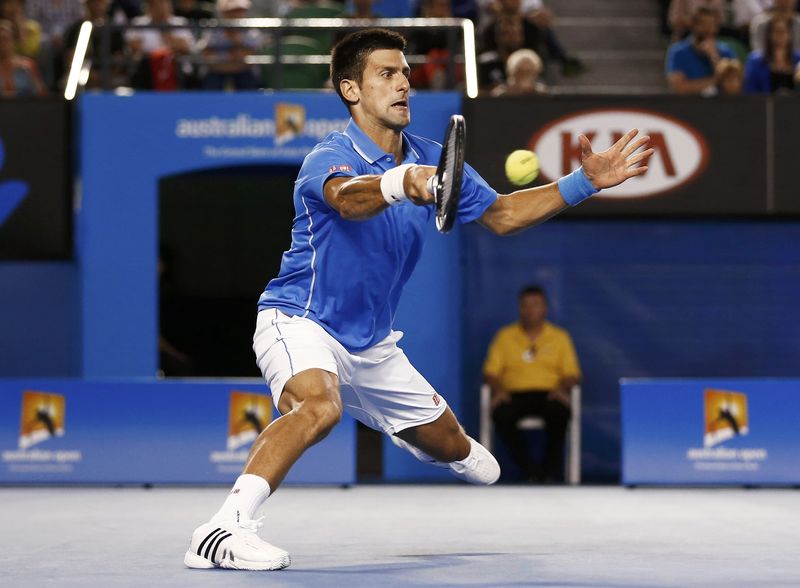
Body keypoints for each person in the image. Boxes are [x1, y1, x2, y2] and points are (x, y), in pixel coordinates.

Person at [183, 28, 652, 572]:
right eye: (387, 73)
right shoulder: (327, 158)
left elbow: (503, 215)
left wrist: (582, 182)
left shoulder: (434, 160)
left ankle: (409, 429)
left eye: (406, 72)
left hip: (374, 346)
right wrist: (402, 183)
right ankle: (222, 529)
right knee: (319, 406)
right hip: (300, 320)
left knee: (458, 451)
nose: (404, 82)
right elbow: (347, 200)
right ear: (351, 90)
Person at [483, 285, 580, 483]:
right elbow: (490, 372)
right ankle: (530, 469)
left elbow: (573, 374)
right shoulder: (505, 336)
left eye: (536, 305)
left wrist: (562, 388)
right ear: (519, 308)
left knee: (560, 413)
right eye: (525, 305)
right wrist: (498, 390)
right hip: (514, 395)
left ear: (545, 308)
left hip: (549, 394)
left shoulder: (559, 337)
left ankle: (546, 471)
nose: (530, 310)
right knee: (501, 414)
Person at [666, 6, 737, 95]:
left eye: (711, 25)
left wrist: (714, 57)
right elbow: (680, 88)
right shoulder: (678, 52)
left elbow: (732, 89)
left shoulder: (726, 52)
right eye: (703, 25)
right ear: (694, 26)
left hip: (720, 105)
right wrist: (716, 80)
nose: (708, 30)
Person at [199, 0, 262, 90]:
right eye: (232, 11)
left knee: (247, 79)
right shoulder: (212, 31)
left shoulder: (252, 32)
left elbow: (248, 59)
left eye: (240, 10)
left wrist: (237, 42)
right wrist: (233, 58)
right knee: (212, 80)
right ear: (223, 13)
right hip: (216, 72)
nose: (236, 15)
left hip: (243, 73)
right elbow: (207, 57)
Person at [744, 16, 800, 92]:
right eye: (777, 31)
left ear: (790, 34)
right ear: (769, 34)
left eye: (784, 31)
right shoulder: (755, 62)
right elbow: (751, 91)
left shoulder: (798, 60)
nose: (780, 35)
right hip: (763, 103)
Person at [0, 17, 45, 95]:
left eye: (5, 39)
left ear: (13, 40)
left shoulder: (27, 65)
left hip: (25, 106)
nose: (3, 44)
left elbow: (40, 94)